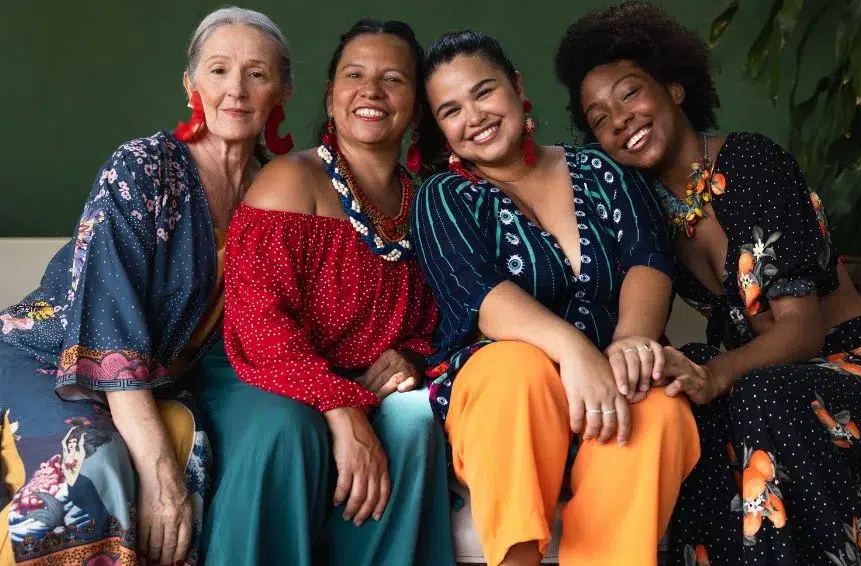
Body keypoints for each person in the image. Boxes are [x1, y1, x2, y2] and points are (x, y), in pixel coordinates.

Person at [554, 3, 861, 564]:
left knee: (750, 391)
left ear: (675, 89)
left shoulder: (751, 163)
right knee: (678, 396)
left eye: (630, 94)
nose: (619, 120)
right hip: (765, 395)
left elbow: (802, 332)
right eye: (598, 117)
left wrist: (713, 374)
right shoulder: (649, 220)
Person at [0, 7, 294, 565]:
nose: (236, 89)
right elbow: (109, 329)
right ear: (191, 84)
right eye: (218, 70)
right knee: (93, 464)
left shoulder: (279, 194)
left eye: (257, 73)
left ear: (282, 90)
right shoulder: (144, 168)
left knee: (197, 455)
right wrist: (159, 473)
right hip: (43, 354)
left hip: (154, 383)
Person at [412, 30, 700, 566]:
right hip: (507, 400)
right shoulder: (443, 197)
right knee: (514, 368)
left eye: (484, 92)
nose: (474, 116)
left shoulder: (602, 170)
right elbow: (484, 298)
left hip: (613, 381)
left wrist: (631, 340)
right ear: (440, 129)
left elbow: (649, 258)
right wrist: (576, 353)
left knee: (658, 405)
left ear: (516, 85)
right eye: (451, 110)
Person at [194, 19, 456, 566]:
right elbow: (259, 321)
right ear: (330, 94)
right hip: (259, 367)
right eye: (354, 74)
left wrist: (408, 356)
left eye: (393, 78)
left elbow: (449, 319)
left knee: (414, 425)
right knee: (290, 430)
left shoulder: (428, 203)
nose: (371, 91)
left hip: (359, 378)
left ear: (418, 102)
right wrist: (340, 406)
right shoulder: (292, 181)